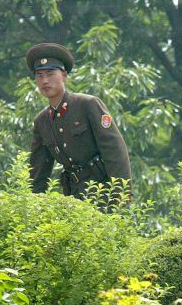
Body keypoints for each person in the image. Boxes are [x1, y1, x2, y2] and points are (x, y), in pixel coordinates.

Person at [25, 43, 131, 202]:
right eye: (39, 75)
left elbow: (114, 149)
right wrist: (31, 206)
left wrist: (122, 194)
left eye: (50, 73)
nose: (45, 81)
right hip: (73, 197)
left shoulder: (87, 104)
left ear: (64, 75)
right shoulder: (42, 121)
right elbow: (39, 170)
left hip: (104, 192)